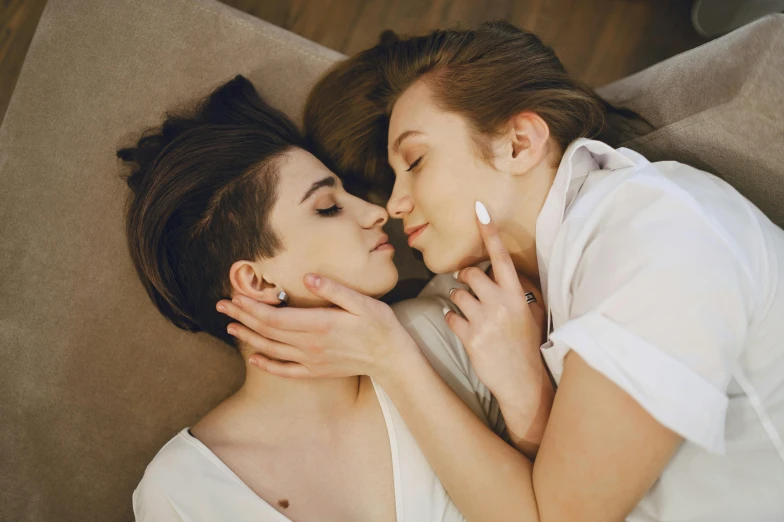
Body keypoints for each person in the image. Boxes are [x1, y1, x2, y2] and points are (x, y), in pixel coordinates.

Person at [223, 21, 784, 521]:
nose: (393, 206)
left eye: (415, 161)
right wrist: (530, 406)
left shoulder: (654, 236)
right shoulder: (518, 284)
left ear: (519, 143)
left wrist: (394, 357)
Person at [120, 75, 513, 522]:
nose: (376, 211)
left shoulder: (448, 325)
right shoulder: (183, 490)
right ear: (256, 281)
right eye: (328, 207)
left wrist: (399, 361)